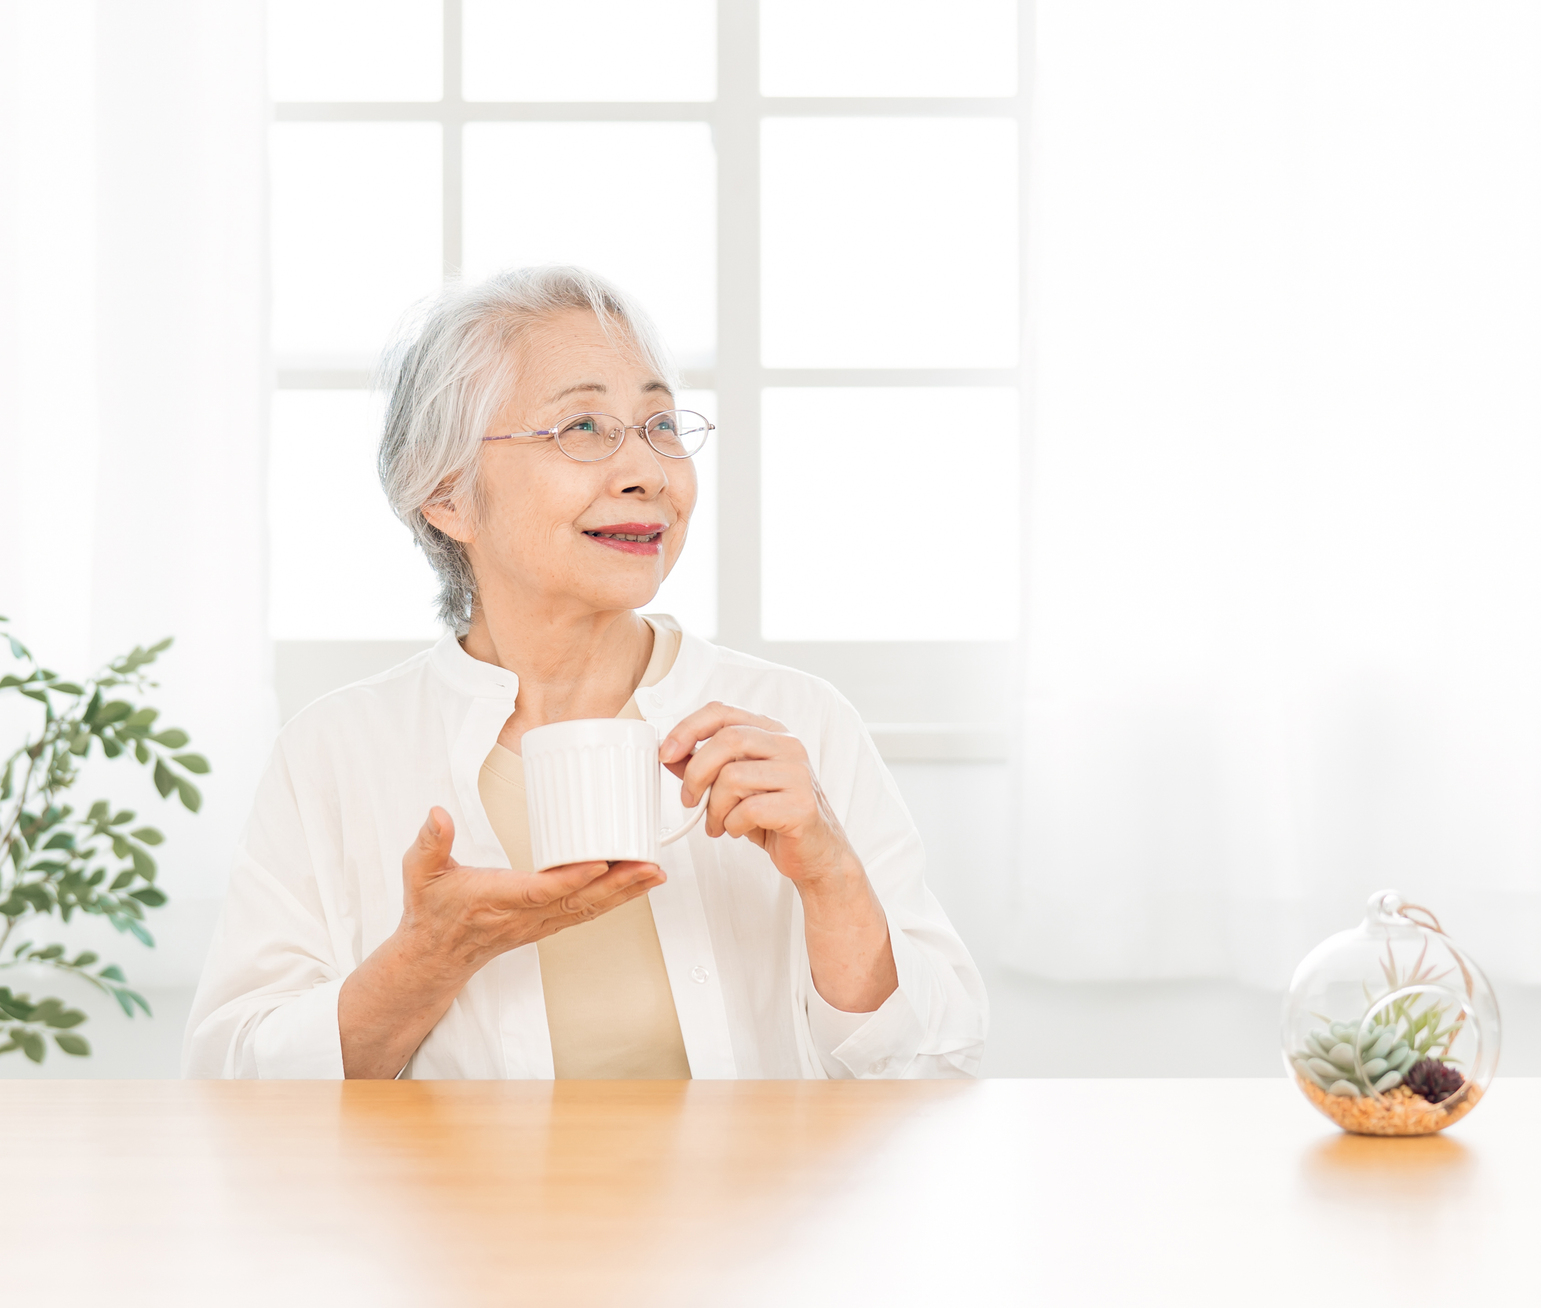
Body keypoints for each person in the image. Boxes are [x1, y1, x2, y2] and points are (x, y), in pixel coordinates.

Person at [184, 266, 985, 1079]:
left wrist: (833, 878)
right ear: (448, 494)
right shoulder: (335, 751)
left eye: (661, 424)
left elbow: (935, 1067)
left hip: (747, 1207)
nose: (649, 471)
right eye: (582, 428)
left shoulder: (797, 721)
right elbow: (231, 1084)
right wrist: (425, 959)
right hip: (462, 1212)